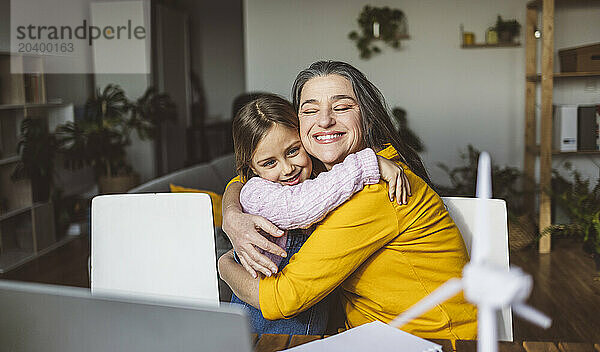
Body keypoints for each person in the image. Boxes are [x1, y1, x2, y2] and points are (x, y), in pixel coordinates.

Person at [219, 61, 477, 340]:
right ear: (299, 124)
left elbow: (282, 299)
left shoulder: (378, 189)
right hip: (367, 336)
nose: (325, 120)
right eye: (310, 110)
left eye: (341, 107)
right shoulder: (327, 176)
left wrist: (224, 265)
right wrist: (232, 216)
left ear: (368, 118)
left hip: (431, 341)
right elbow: (248, 180)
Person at [229, 93, 409, 334]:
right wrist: (369, 164)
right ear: (252, 167)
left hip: (310, 317)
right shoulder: (255, 192)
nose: (287, 168)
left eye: (293, 151)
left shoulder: (318, 180)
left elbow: (321, 191)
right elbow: (300, 208)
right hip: (264, 322)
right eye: (269, 163)